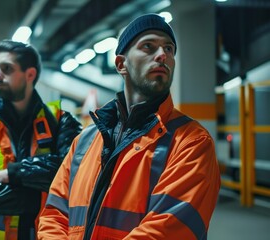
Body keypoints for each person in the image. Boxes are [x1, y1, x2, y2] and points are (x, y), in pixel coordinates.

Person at [38, 13, 221, 239]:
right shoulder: (84, 141)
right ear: (121, 64)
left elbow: (168, 230)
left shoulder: (192, 142)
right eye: (148, 46)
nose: (162, 55)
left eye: (169, 49)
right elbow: (54, 213)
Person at [0, 40, 82, 240]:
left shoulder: (61, 123)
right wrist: (35, 199)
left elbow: (75, 173)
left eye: (6, 68)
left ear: (30, 74)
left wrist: (13, 173)